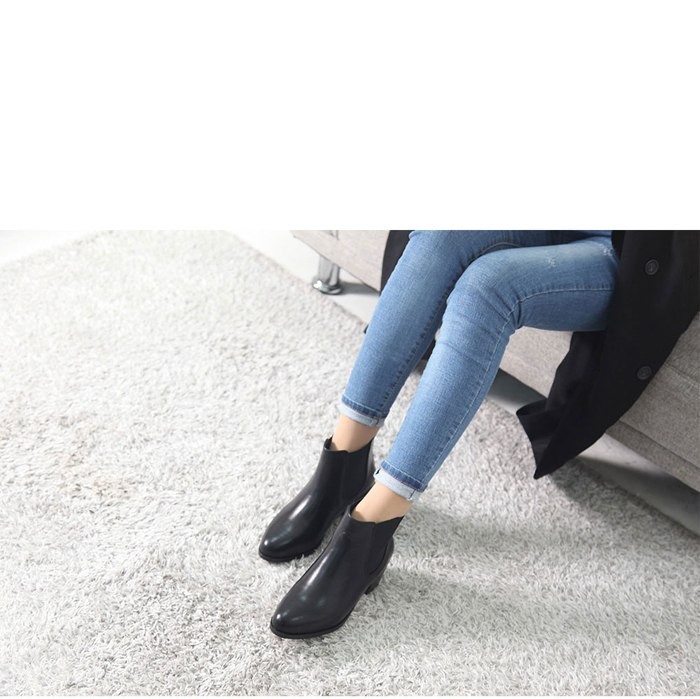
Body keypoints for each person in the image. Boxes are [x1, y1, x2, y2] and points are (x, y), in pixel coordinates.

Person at [259, 230, 699, 640]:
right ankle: (343, 464)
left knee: (487, 288)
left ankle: (371, 528)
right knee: (440, 234)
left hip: (641, 247)